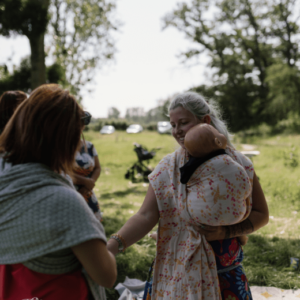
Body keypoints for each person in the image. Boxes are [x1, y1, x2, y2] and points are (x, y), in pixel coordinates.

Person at [107, 92, 269, 300]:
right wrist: (111, 247)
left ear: (205, 121)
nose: (177, 131)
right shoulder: (168, 167)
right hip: (174, 274)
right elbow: (146, 216)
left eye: (183, 123)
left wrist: (225, 232)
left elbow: (261, 214)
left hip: (224, 276)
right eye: (173, 125)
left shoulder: (237, 165)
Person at [0, 84, 117, 300]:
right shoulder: (62, 202)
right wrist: (114, 245)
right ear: (66, 139)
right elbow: (106, 276)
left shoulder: (7, 182)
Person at [72, 113, 103, 222]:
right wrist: (85, 181)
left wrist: (89, 184)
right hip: (70, 193)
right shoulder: (61, 148)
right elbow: (60, 171)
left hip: (88, 193)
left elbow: (98, 168)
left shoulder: (89, 146)